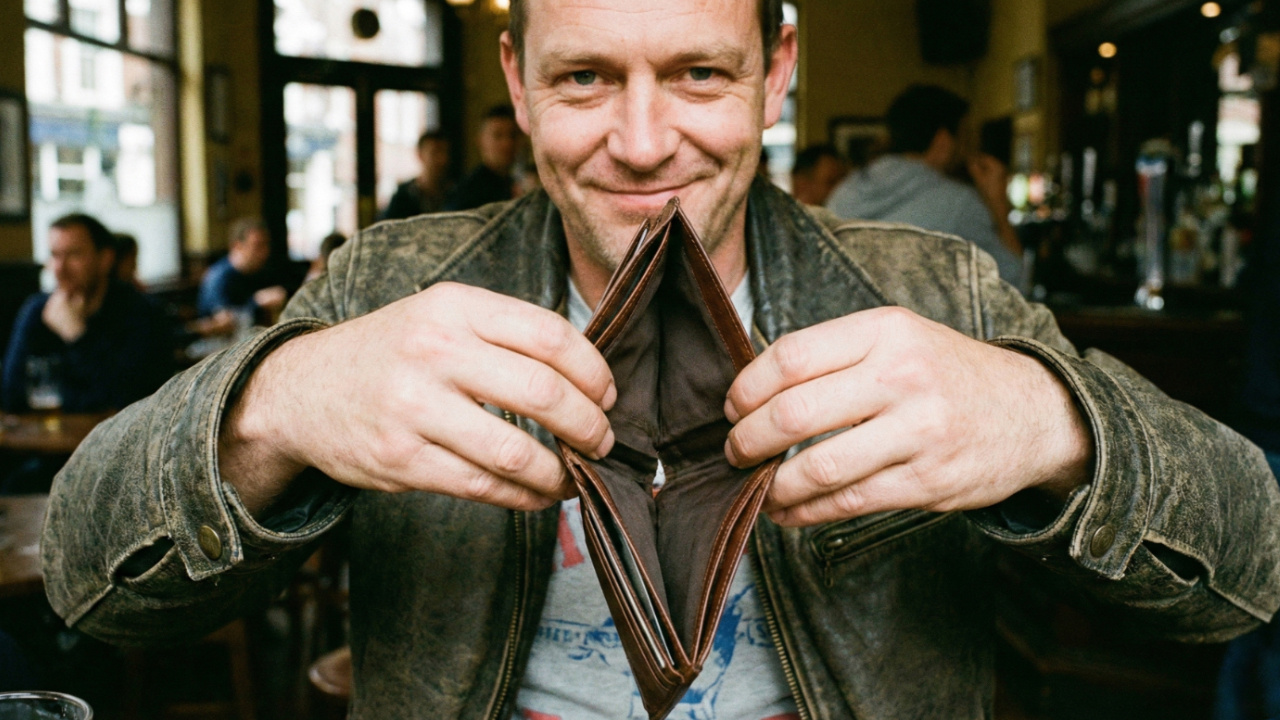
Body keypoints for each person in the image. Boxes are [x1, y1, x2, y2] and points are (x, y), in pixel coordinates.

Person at [41, 3, 1280, 720]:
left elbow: (1244, 572)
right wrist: (270, 407)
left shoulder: (935, 289)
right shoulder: (383, 285)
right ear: (516, 78)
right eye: (584, 77)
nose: (642, 144)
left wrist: (1051, 425)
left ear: (775, 73)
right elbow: (90, 588)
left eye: (697, 73)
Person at [826, 84, 1025, 286]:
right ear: (943, 141)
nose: (968, 151)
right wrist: (998, 205)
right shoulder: (959, 204)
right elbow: (1011, 285)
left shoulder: (843, 193)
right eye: (965, 137)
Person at [2, 214, 171, 415]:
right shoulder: (37, 310)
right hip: (46, 434)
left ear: (105, 259)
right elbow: (9, 395)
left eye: (74, 255)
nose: (60, 269)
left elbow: (129, 398)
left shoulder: (143, 313)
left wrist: (76, 335)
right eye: (55, 255)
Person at [195, 217, 288, 334]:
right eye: (258, 245)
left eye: (266, 245)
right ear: (237, 246)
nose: (265, 252)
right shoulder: (219, 277)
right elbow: (225, 324)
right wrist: (257, 302)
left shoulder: (260, 271)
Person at [444, 105, 520, 211]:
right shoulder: (468, 192)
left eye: (512, 135)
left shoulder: (513, 184)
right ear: (481, 141)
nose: (507, 144)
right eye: (497, 135)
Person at [379, 131, 452, 221]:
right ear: (420, 155)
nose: (441, 159)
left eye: (444, 152)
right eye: (434, 152)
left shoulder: (455, 192)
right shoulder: (404, 196)